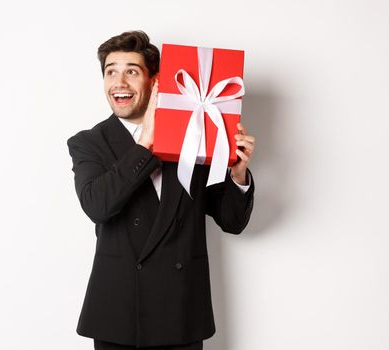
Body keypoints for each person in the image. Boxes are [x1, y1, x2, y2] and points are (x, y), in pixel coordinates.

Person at [67, 30, 256, 350]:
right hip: (119, 316)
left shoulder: (195, 136)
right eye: (110, 71)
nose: (118, 82)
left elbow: (232, 221)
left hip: (180, 312)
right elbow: (97, 206)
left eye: (131, 71)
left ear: (155, 82)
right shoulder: (88, 143)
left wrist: (238, 174)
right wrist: (146, 143)